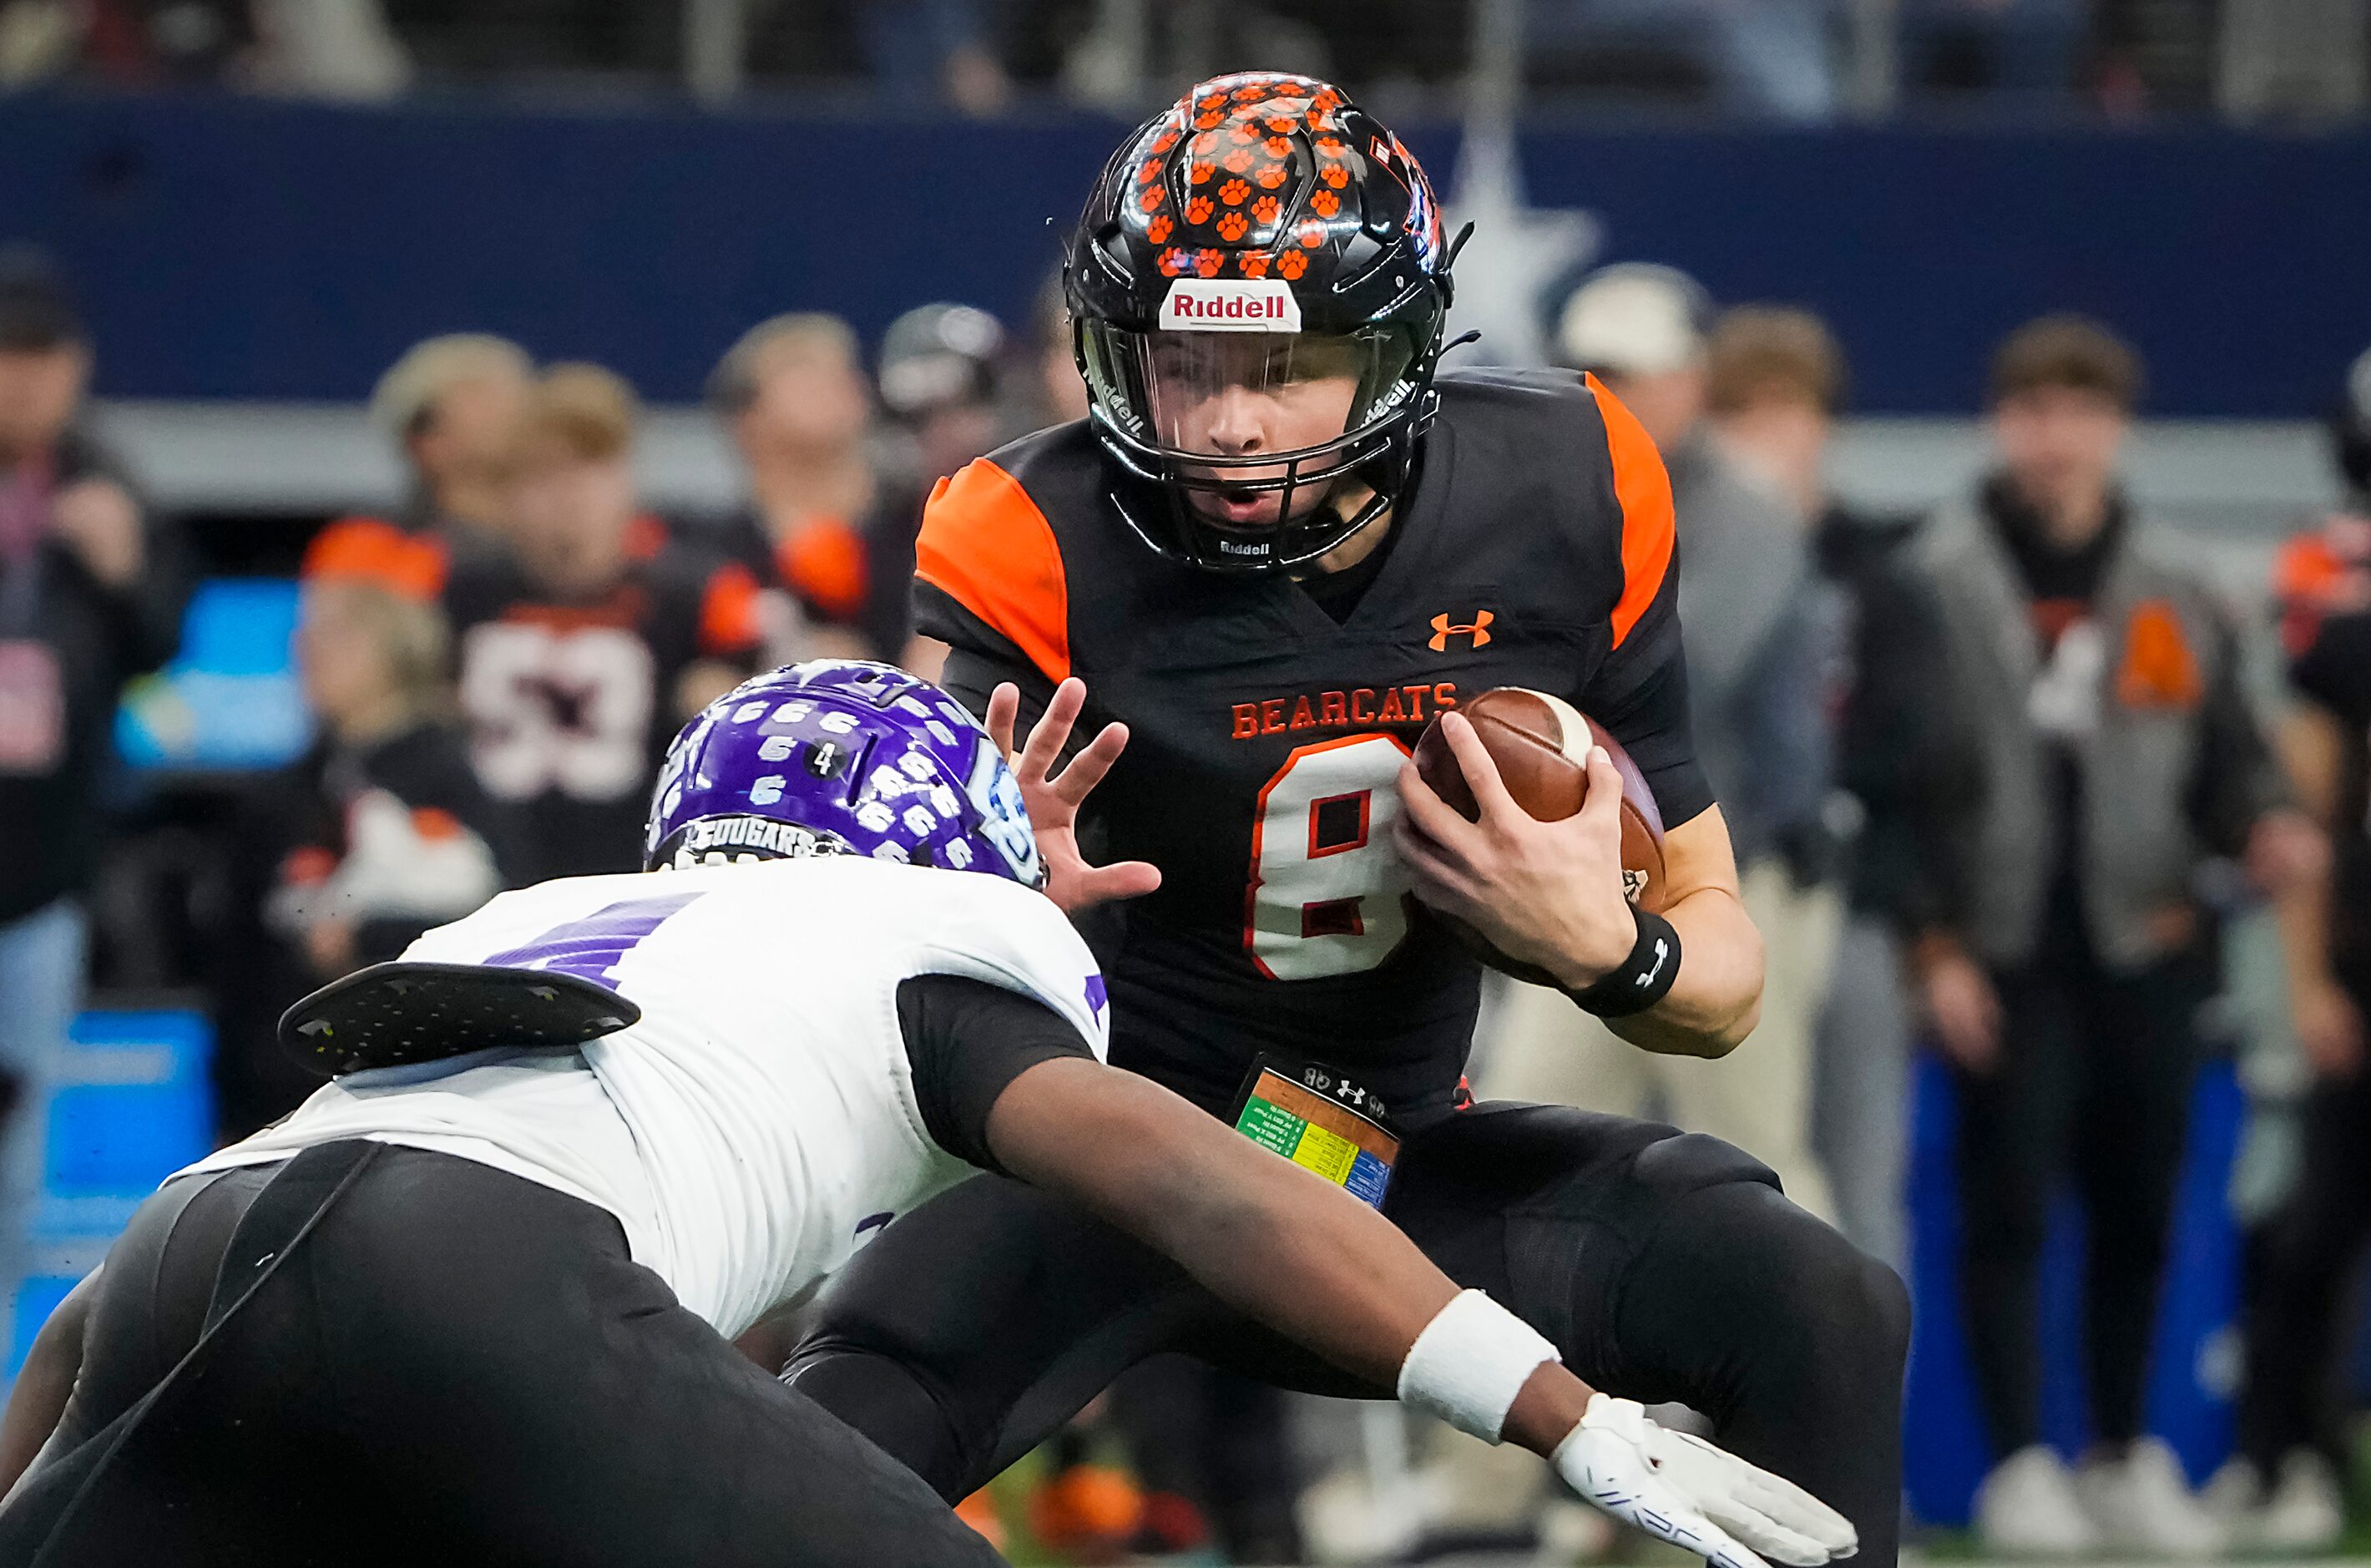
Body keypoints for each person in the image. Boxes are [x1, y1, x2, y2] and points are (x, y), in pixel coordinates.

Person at [781, 73, 1909, 1568]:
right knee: (810, 1455)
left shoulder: (1569, 484)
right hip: (1105, 1157)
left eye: (1288, 361)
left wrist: (1609, 946)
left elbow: (1724, 980)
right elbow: (868, 958)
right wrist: (991, 912)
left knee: (1818, 1296)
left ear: (1397, 351)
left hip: (1388, 1166)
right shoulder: (1025, 532)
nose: (1231, 423)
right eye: (1186, 360)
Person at [0, 660, 1854, 1568]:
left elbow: (93, 1333)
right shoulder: (929, 941)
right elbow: (1202, 1191)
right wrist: (1557, 1409)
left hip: (193, 1256)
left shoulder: (548, 910)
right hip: (481, 1275)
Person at [1908, 314, 2317, 1557]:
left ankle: (2126, 1451)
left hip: (2147, 934)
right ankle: (2024, 1460)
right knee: (2010, 1206)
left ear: (2117, 427)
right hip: (2006, 942)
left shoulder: (2180, 580)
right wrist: (1935, 948)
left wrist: (2265, 825)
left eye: (2081, 409)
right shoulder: (1936, 577)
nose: (2057, 436)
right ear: (2001, 420)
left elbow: (2230, 758)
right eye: (2035, 408)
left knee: (2141, 1206)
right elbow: (1900, 781)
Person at [1481, 266, 1840, 1227]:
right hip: (1589, 873)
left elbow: (1675, 666)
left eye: (1636, 375)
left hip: (1735, 873)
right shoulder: (1559, 495)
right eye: (1594, 373)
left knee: (1754, 1158)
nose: (1613, 399)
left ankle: (1807, 1365)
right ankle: (1533, 1378)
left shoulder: (1742, 508)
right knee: (1519, 1132)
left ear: (1690, 381)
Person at [1704, 306, 1970, 1271]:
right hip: (1712, 897)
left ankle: (1856, 1417)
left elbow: (1924, 761)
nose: (1768, 440)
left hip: (1852, 904)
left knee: (1857, 1183)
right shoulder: (1676, 566)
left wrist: (1931, 929)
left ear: (1827, 425)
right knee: (1715, 1167)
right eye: (1741, 415)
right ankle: (1704, 1409)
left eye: (1790, 412)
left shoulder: (1880, 576)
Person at [0, 248, 184, 1320]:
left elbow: (163, 640)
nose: (23, 381)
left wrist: (118, 571)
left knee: (13, 1164)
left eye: (42, 359)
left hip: (39, 876)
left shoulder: (103, 484)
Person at [2215, 345, 2371, 1551]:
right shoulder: (2331, 581)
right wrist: (2308, 973)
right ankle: (2284, 1449)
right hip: (2353, 950)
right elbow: (2306, 797)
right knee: (2310, 1212)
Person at [213, 565, 518, 1139]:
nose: (308, 648)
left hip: (421, 1094)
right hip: (280, 1098)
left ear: (397, 648)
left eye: (339, 633)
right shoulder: (282, 794)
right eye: (306, 632)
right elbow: (238, 963)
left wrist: (367, 940)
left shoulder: (452, 778)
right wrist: (229, 1113)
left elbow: (503, 917)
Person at [447, 363, 759, 882]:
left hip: (637, 871)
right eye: (542, 475)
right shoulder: (459, 591)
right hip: (485, 873)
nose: (567, 496)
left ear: (624, 478)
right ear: (505, 495)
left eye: (588, 467)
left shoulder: (694, 594)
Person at [706, 314, 894, 667]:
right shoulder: (712, 558)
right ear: (746, 419)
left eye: (843, 365)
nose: (835, 377)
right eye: (802, 366)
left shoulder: (918, 536)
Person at [301, 332, 532, 594]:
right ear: (425, 440)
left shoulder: (558, 552)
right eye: (485, 396)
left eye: (518, 391)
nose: (516, 409)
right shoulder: (368, 548)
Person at [870, 301, 1015, 675]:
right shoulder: (881, 536)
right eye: (920, 414)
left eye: (965, 403)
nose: (943, 429)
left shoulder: (1050, 513)